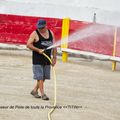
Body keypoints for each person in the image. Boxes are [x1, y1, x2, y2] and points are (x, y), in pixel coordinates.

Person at [27, 19, 57, 100]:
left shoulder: (51, 33)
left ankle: (34, 91)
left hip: (47, 59)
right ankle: (43, 94)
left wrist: (54, 58)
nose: (40, 29)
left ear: (45, 26)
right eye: (39, 28)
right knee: (40, 77)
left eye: (42, 28)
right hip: (37, 60)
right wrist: (38, 50)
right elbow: (28, 44)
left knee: (43, 77)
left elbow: (54, 46)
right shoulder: (34, 33)